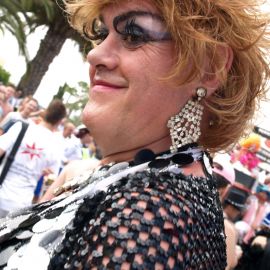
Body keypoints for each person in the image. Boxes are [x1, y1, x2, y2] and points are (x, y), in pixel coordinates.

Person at [0, 0, 269, 269]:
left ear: (209, 68)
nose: (94, 55)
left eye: (133, 35)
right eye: (102, 33)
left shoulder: (151, 220)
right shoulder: (150, 186)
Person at [0, 99, 66, 217]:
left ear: (45, 112)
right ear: (60, 121)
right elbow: (50, 182)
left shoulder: (21, 127)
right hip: (21, 206)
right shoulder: (57, 145)